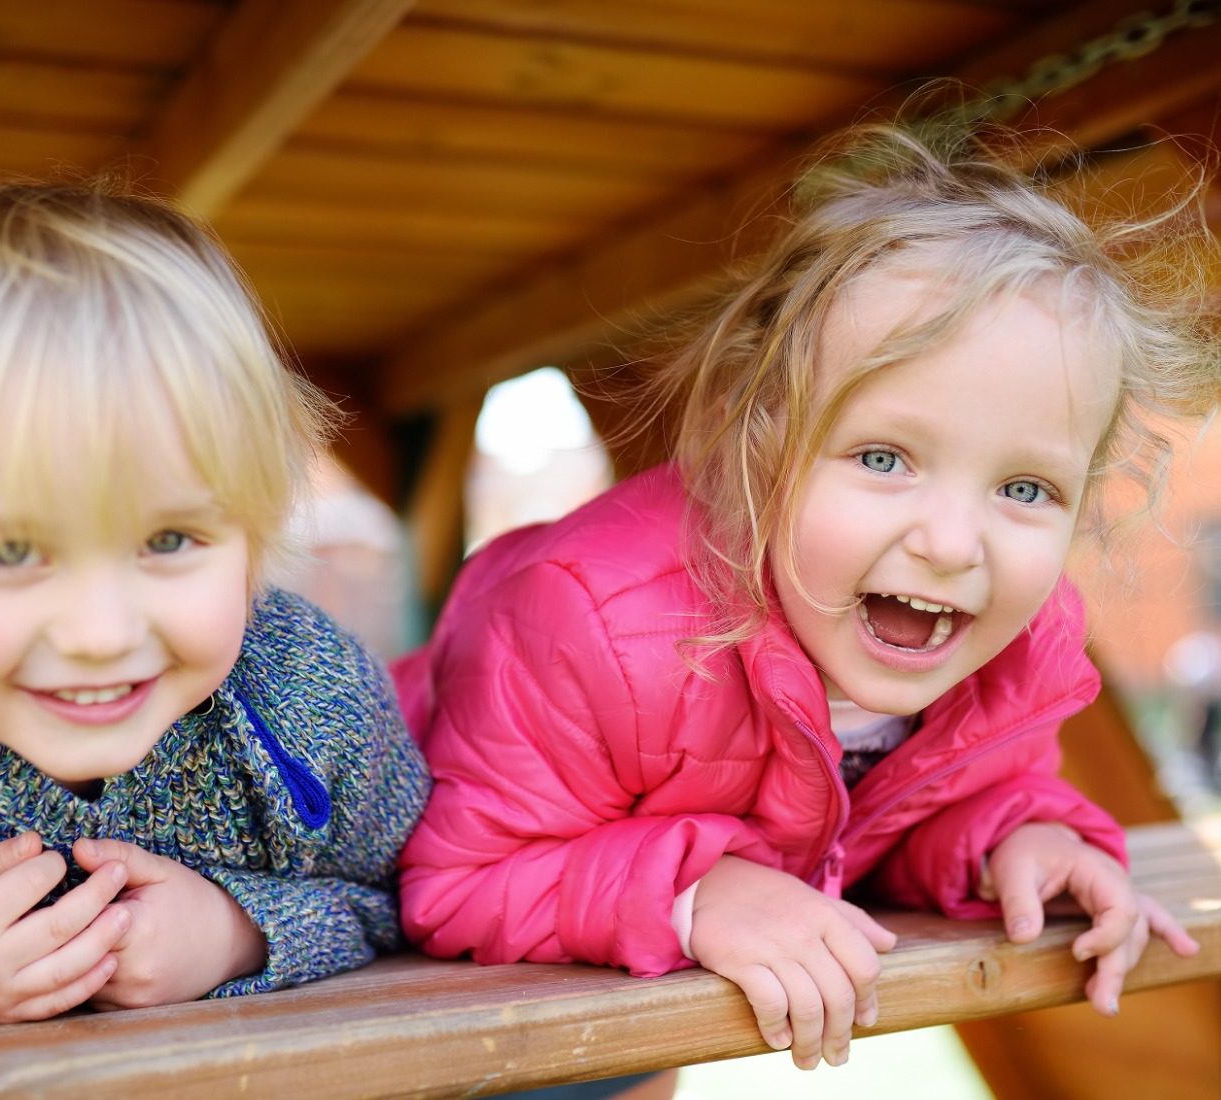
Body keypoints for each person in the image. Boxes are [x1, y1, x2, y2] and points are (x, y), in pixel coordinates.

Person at [393, 117, 1218, 1080]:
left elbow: (907, 814)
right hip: (401, 970)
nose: (953, 544)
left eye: (1025, 489)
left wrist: (1019, 840)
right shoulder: (594, 619)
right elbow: (450, 882)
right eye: (883, 458)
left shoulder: (1019, 645)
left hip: (618, 989)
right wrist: (703, 891)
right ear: (766, 442)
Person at [0, 180, 430, 1041]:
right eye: (12, 553)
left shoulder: (315, 698)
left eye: (169, 539)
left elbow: (410, 898)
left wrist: (242, 933)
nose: (101, 636)